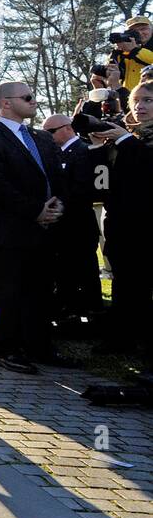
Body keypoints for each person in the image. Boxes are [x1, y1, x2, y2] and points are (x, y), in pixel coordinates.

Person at [0, 82, 66, 374]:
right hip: (8, 228)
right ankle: (8, 349)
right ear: (6, 103)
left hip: (44, 227)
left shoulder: (41, 138)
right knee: (7, 291)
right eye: (27, 97)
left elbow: (55, 176)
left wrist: (57, 205)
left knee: (40, 290)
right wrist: (35, 210)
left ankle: (40, 346)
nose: (34, 101)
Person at [90, 82, 153, 370]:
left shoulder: (134, 140)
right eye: (136, 100)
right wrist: (98, 146)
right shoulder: (127, 135)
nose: (139, 106)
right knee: (125, 280)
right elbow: (101, 180)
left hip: (146, 223)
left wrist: (126, 141)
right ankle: (123, 337)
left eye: (148, 100)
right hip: (122, 221)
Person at [41, 113, 103, 331]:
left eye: (51, 132)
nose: (47, 137)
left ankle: (92, 314)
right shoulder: (58, 154)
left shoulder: (84, 151)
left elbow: (83, 188)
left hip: (79, 226)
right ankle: (70, 312)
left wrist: (61, 203)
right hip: (60, 226)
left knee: (85, 272)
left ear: (67, 128)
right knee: (65, 272)